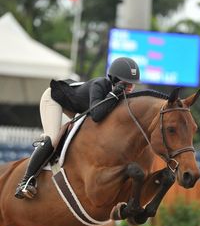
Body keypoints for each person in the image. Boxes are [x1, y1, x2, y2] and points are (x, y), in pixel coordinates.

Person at [15, 57, 140, 199]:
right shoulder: (100, 85)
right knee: (54, 139)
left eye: (133, 85)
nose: (130, 89)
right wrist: (113, 94)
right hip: (55, 100)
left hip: (74, 109)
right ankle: (25, 182)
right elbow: (97, 115)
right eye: (126, 84)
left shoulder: (121, 96)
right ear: (114, 80)